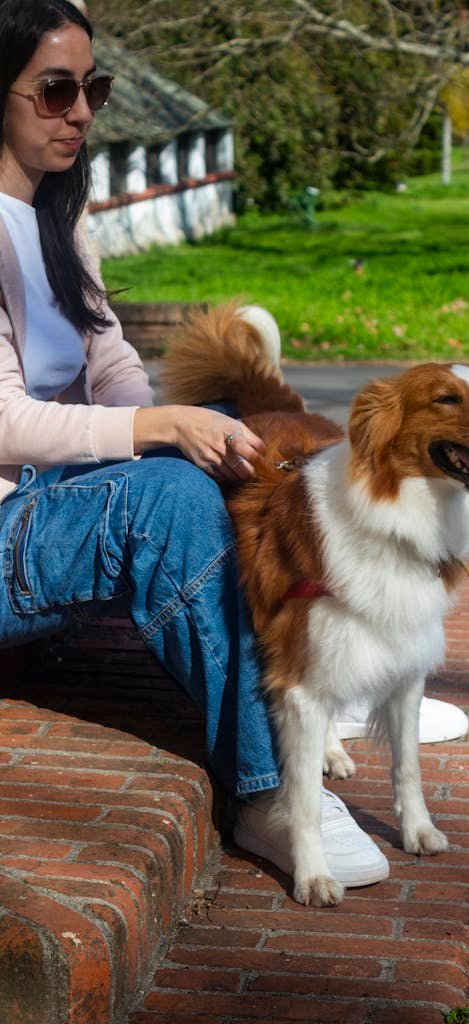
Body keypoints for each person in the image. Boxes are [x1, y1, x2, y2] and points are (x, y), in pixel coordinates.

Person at [0, 0, 389, 889]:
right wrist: (160, 432)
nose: (81, 112)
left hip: (47, 502)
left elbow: (110, 364)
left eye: (93, 88)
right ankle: (271, 791)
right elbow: (5, 420)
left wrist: (183, 437)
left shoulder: (56, 215)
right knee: (169, 493)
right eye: (55, 90)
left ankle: (334, 684)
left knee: (249, 454)